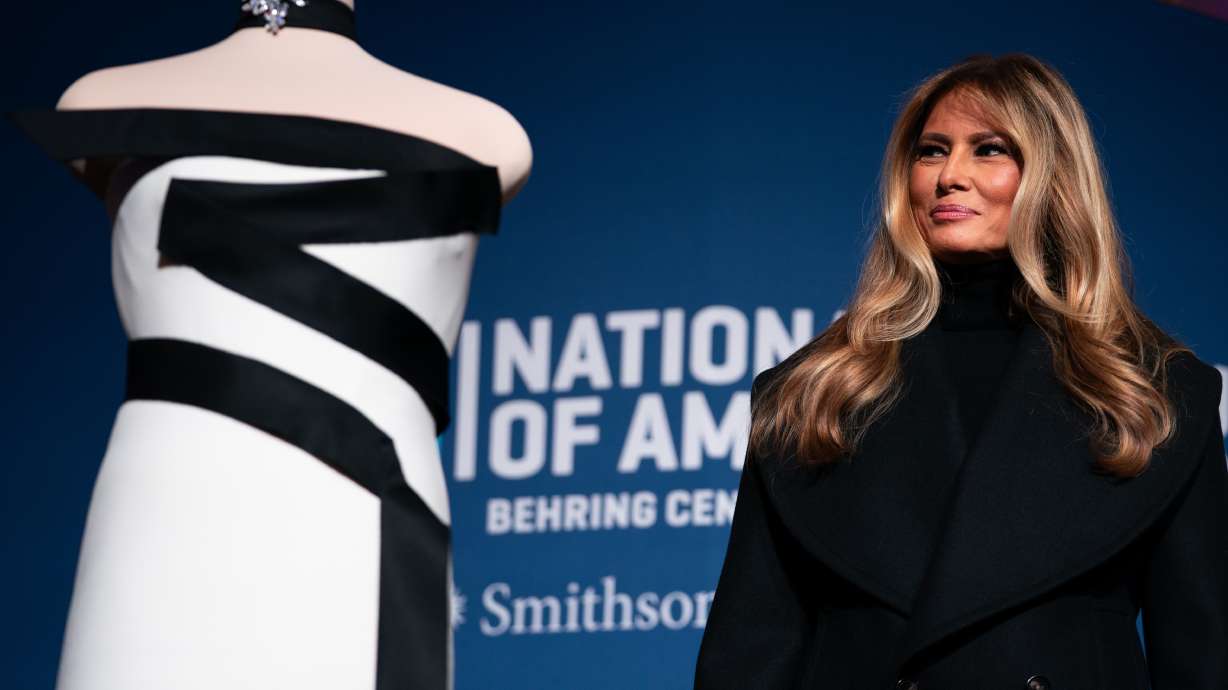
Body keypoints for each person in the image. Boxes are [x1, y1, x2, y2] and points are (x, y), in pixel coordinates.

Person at [694, 53, 1226, 689]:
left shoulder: (1157, 392)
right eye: (932, 152)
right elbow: (749, 654)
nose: (950, 176)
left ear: (1054, 176)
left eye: (989, 149)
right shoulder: (811, 393)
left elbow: (1202, 657)